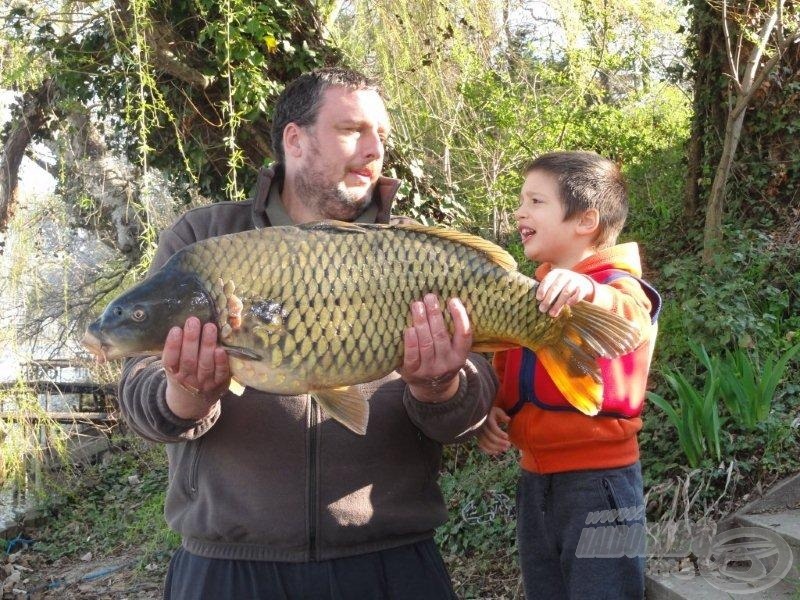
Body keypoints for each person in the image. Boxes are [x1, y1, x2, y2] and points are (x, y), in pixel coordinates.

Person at [117, 67, 497, 599]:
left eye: (382, 136)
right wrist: (185, 393)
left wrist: (440, 387)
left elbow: (467, 415)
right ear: (294, 140)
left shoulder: (419, 254)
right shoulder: (204, 240)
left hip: (390, 560)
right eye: (351, 130)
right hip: (230, 565)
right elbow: (139, 391)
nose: (373, 150)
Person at [477, 151, 661, 599]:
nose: (520, 212)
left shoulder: (619, 286)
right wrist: (492, 413)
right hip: (534, 481)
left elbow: (632, 318)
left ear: (585, 221)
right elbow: (507, 366)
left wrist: (590, 291)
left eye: (536, 201)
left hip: (602, 483)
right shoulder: (529, 292)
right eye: (522, 201)